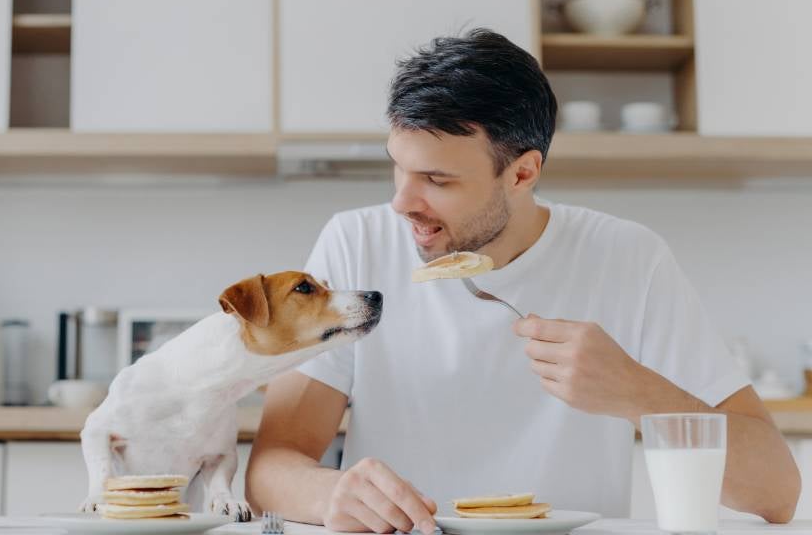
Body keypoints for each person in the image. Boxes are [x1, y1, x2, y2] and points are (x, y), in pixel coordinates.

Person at [245, 28, 799, 533]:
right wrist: (331, 494)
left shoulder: (628, 259)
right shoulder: (355, 244)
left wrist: (635, 392)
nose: (402, 202)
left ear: (522, 172)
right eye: (399, 166)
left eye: (437, 179)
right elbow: (271, 466)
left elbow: (776, 493)